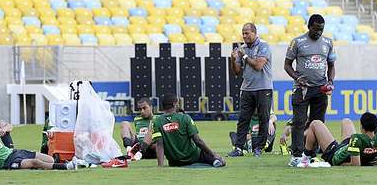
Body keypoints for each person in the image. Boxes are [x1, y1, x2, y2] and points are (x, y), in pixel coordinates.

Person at [284, 13, 336, 163]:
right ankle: (296, 155)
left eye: (321, 29)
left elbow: (331, 65)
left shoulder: (328, 42)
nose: (319, 32)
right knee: (299, 122)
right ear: (309, 27)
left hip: (320, 89)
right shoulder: (297, 42)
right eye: (316, 29)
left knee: (317, 124)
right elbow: (287, 65)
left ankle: (310, 154)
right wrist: (297, 78)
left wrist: (331, 81)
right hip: (302, 89)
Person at [0, 107, 77, 170]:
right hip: (5, 162)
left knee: (49, 159)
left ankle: (41, 167)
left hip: (13, 153)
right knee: (35, 162)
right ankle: (66, 166)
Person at [141, 93, 225, 167]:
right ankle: (215, 161)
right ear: (174, 104)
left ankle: (214, 160)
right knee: (218, 159)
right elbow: (198, 141)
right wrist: (213, 154)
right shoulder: (185, 118)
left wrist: (160, 165)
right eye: (177, 103)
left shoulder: (157, 121)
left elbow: (160, 145)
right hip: (193, 156)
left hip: (175, 162)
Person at [228, 23, 273, 157]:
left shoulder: (263, 46)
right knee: (243, 119)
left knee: (263, 118)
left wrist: (245, 56)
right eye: (243, 33)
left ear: (254, 32)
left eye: (247, 33)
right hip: (247, 88)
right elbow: (236, 72)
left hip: (263, 87)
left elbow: (258, 66)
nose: (244, 36)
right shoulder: (242, 48)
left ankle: (258, 148)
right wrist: (233, 59)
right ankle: (239, 148)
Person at [296, 114, 377, 167]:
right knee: (346, 121)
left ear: (362, 127)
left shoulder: (356, 138)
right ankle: (306, 136)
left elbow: (356, 165)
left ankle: (305, 156)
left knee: (315, 123)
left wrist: (344, 164)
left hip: (335, 153)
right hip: (348, 146)